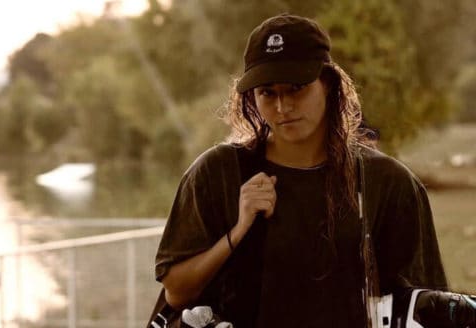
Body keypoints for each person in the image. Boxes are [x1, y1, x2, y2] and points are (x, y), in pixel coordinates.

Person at [153, 14, 447, 327]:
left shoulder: (387, 183)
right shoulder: (218, 173)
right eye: (268, 92)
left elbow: (427, 308)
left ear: (329, 85)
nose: (282, 107)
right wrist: (238, 232)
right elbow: (177, 294)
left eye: (296, 88)